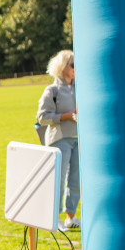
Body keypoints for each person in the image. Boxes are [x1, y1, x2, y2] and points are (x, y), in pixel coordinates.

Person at [37, 50, 80, 232]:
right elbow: (42, 117)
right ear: (63, 67)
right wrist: (65, 116)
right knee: (59, 180)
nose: (75, 68)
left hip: (77, 138)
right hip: (59, 139)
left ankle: (71, 216)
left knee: (76, 180)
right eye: (72, 65)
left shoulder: (79, 88)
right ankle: (55, 219)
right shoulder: (52, 91)